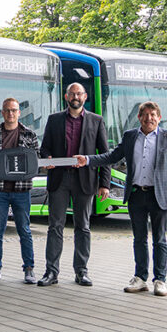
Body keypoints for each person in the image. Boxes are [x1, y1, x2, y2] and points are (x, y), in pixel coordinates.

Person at [75, 101, 167, 297]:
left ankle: (160, 280)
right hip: (136, 194)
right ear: (139, 117)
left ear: (159, 118)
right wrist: (88, 159)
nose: (149, 118)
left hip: (159, 194)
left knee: (159, 239)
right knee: (139, 239)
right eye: (145, 114)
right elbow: (111, 156)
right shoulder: (130, 137)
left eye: (153, 115)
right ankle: (140, 278)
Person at [37, 82, 109, 287]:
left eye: (79, 93)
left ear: (85, 97)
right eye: (72, 93)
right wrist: (47, 158)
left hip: (85, 180)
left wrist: (104, 184)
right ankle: (51, 272)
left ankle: (81, 272)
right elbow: (44, 148)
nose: (76, 96)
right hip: (59, 179)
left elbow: (105, 155)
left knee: (83, 227)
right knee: (55, 226)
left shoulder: (96, 121)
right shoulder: (54, 120)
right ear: (66, 97)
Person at [0, 97, 40, 284]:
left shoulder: (30, 135)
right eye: (7, 110)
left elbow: (35, 161)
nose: (10, 114)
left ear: (19, 113)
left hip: (22, 191)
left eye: (13, 110)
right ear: (2, 112)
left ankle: (29, 269)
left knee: (25, 230)